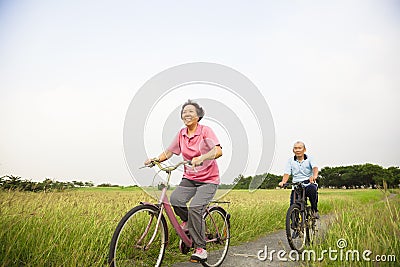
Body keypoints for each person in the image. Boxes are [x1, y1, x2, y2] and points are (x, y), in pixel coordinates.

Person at [144, 100, 222, 262]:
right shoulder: (181, 134)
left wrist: (202, 157)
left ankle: (200, 248)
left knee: (195, 207)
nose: (186, 114)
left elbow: (218, 151)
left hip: (208, 180)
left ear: (198, 116)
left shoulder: (205, 131)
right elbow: (169, 151)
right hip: (190, 178)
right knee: (175, 199)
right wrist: (155, 159)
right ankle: (188, 221)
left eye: (191, 111)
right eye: (184, 112)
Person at [278, 141, 319, 219]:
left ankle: (314, 210)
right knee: (292, 208)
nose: (297, 150)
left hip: (308, 184)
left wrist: (314, 176)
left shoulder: (310, 159)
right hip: (296, 186)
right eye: (295, 148)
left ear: (304, 149)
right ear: (293, 150)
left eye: (300, 148)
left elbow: (315, 168)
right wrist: (283, 182)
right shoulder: (290, 161)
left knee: (312, 190)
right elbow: (287, 173)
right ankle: (296, 227)